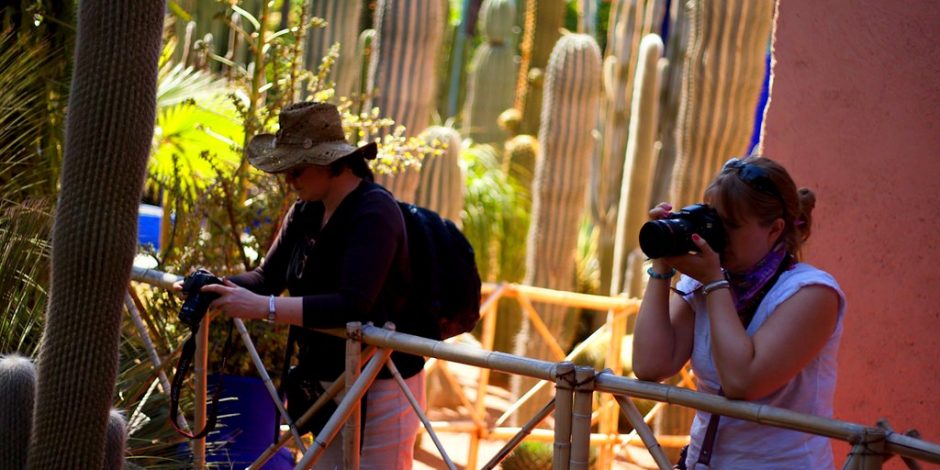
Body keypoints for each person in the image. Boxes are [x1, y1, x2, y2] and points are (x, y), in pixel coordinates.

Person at [196, 101, 424, 469]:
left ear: (332, 162)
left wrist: (265, 309)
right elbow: (266, 278)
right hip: (328, 382)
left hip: (382, 381)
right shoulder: (306, 210)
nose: (289, 180)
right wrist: (215, 286)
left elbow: (354, 304)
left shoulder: (374, 211)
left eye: (296, 169)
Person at [632, 155, 846, 469]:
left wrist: (714, 282)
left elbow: (741, 382)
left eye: (730, 226)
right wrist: (662, 265)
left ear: (774, 230)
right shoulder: (707, 280)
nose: (716, 235)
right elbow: (650, 365)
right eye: (713, 220)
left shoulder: (812, 293)